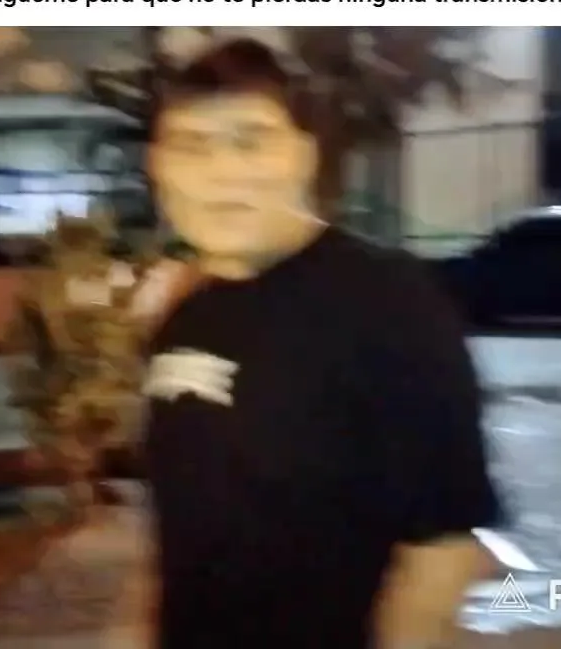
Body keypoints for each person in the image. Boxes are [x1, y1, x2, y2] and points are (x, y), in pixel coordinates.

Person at [136, 37, 502, 648]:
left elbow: (441, 553)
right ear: (158, 167)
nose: (221, 172)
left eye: (251, 140)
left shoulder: (386, 303)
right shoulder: (185, 312)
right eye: (191, 145)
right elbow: (178, 528)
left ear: (304, 156)